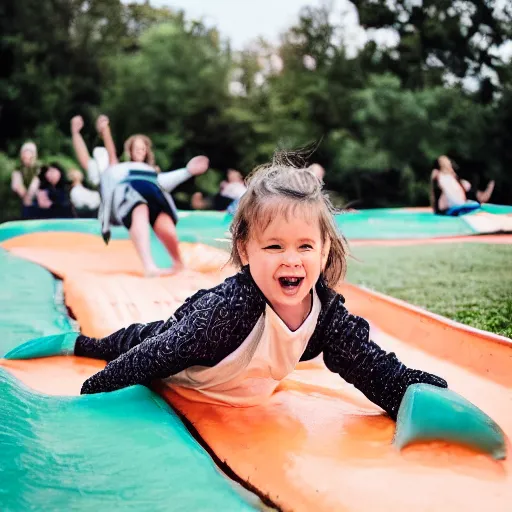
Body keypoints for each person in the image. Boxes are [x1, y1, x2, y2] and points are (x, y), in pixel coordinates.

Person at [16, 151, 448, 414]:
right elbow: (157, 354)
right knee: (139, 338)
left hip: (226, 370)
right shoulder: (229, 312)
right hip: (188, 354)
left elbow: (371, 367)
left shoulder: (327, 317)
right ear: (245, 250)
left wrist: (416, 391)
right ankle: (79, 343)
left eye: (304, 246)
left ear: (323, 249)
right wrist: (93, 392)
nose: (291, 260)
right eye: (273, 247)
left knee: (153, 339)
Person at [94, 115, 209, 276]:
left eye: (143, 148)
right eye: (137, 148)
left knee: (166, 228)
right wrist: (106, 131)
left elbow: (166, 181)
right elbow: (112, 159)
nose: (140, 150)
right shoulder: (123, 168)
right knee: (139, 208)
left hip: (155, 196)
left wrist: (188, 171)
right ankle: (149, 266)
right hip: (131, 196)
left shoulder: (153, 172)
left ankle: (178, 263)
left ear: (147, 150)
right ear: (131, 151)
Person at [431, 156, 495, 216]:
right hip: (453, 207)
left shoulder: (442, 177)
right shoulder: (442, 177)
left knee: (473, 201)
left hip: (453, 207)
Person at [11, 141, 41, 217]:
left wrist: (30, 195)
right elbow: (16, 185)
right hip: (22, 199)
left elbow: (36, 183)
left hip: (35, 197)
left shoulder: (37, 168)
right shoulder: (18, 168)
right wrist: (25, 195)